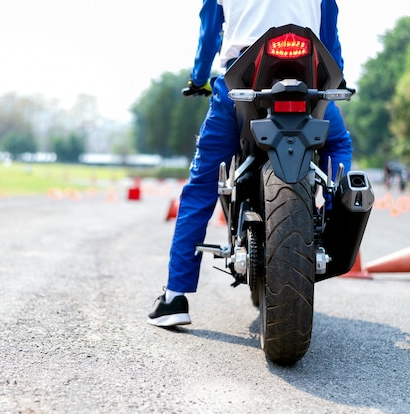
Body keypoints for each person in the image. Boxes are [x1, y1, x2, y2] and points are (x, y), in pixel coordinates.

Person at [148, 0, 354, 327]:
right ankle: (325, 212)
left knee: (202, 186)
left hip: (242, 81)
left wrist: (199, 78)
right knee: (338, 143)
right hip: (307, 80)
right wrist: (336, 79)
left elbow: (209, 34)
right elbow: (329, 34)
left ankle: (175, 297)